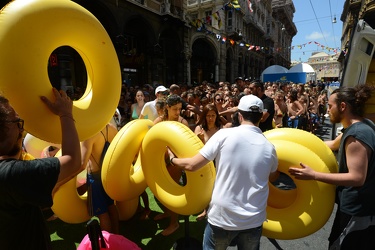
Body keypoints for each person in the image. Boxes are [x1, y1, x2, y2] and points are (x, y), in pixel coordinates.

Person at [168, 94, 279, 249]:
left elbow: (192, 165)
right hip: (253, 221)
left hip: (222, 218)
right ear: (261, 117)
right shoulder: (270, 148)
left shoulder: (224, 135)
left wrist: (172, 159)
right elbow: (273, 176)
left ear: (239, 116)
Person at [289, 85, 375, 249]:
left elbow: (356, 178)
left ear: (343, 106)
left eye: (330, 106)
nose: (328, 111)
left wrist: (313, 175)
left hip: (358, 210)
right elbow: (332, 144)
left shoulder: (356, 135)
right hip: (359, 208)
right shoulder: (362, 125)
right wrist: (294, 144)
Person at [0, 88, 81, 249]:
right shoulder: (13, 175)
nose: (21, 128)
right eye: (17, 122)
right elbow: (73, 160)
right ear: (5, 128)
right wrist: (65, 114)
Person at [153, 94, 188, 236]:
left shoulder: (182, 122)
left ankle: (174, 224)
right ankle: (167, 212)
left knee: (172, 193)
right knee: (160, 192)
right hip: (160, 162)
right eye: (174, 109)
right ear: (167, 108)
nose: (177, 112)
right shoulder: (159, 121)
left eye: (179, 109)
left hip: (174, 164)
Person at [81, 123, 120, 234]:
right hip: (108, 175)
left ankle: (108, 244)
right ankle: (116, 235)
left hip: (95, 177)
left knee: (102, 212)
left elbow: (82, 163)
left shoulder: (89, 134)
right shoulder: (112, 128)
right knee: (111, 205)